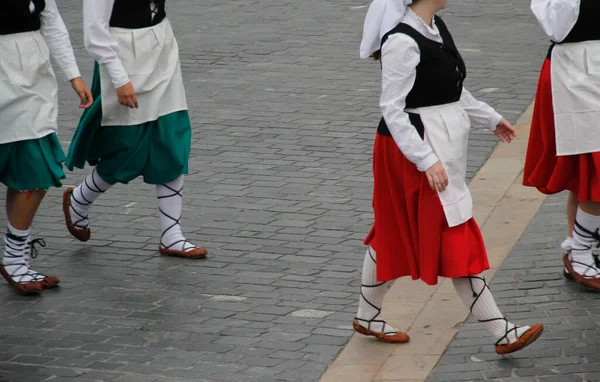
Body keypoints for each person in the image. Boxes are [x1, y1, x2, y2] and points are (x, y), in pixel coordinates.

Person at [353, 0, 544, 354]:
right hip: (410, 151)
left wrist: (488, 117)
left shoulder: (435, 26)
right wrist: (426, 161)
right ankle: (501, 330)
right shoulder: (401, 41)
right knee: (453, 231)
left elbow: (450, 89)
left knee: (393, 229)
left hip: (435, 146)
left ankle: (367, 315)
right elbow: (392, 110)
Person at [63, 0, 207, 259]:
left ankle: (171, 234)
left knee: (171, 137)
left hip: (161, 46)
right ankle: (80, 198)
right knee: (126, 147)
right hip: (122, 55)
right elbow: (94, 32)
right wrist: (120, 78)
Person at [0, 0, 93, 293]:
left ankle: (14, 259)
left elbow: (51, 22)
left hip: (33, 78)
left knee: (36, 171)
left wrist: (74, 76)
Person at [524, 0, 600, 289]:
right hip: (576, 75)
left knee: (585, 175)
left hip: (590, 72)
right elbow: (557, 26)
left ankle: (577, 245)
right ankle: (579, 249)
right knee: (593, 172)